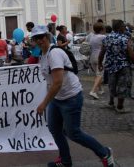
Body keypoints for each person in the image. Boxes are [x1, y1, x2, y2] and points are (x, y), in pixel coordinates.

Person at [32, 25, 115, 167]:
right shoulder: (44, 54)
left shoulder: (54, 53)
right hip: (57, 99)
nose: (39, 41)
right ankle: (65, 161)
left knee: (73, 133)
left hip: (71, 97)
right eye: (36, 38)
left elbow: (57, 82)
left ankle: (105, 152)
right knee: (55, 129)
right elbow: (50, 81)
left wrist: (44, 104)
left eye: (41, 37)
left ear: (47, 37)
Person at [98, 20, 134, 113]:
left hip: (110, 66)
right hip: (123, 66)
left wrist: (99, 64)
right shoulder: (124, 39)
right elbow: (131, 55)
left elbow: (102, 52)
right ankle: (120, 106)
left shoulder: (107, 38)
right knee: (123, 85)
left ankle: (111, 103)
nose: (125, 28)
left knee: (112, 83)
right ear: (119, 28)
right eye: (123, 26)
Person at [88, 22, 106, 99]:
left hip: (92, 57)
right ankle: (93, 91)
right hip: (100, 57)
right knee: (99, 75)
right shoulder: (103, 37)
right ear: (102, 29)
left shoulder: (91, 36)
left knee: (97, 74)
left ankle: (100, 89)